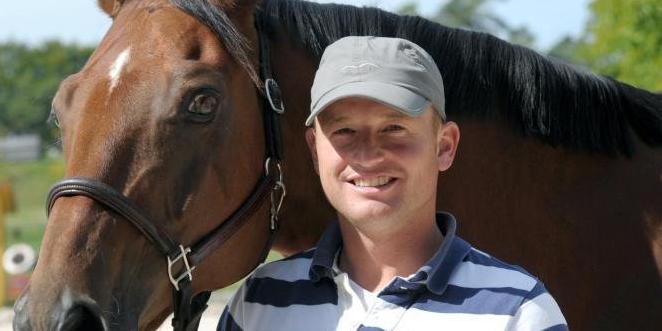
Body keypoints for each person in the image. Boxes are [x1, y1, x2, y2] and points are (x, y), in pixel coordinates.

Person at [218, 36, 568, 330]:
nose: (368, 155)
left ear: (444, 147)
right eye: (344, 131)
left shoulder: (519, 311)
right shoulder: (258, 303)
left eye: (394, 128)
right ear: (314, 151)